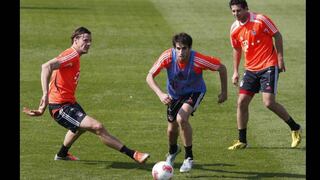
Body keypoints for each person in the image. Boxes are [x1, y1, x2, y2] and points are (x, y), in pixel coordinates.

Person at [22, 26, 150, 163]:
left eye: (90, 41)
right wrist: (45, 95)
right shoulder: (71, 54)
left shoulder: (74, 56)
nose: (88, 44)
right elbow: (46, 66)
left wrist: (43, 105)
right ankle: (133, 154)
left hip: (69, 102)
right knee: (97, 127)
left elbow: (55, 77)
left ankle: (62, 154)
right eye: (85, 40)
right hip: (60, 107)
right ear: (76, 40)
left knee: (79, 128)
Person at [146, 32, 228, 172]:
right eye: (178, 48)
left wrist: (224, 92)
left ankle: (188, 157)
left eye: (184, 48)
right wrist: (160, 94)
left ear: (190, 48)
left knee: (181, 118)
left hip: (194, 92)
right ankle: (173, 151)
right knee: (172, 129)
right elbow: (149, 76)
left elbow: (222, 68)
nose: (181, 52)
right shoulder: (167, 56)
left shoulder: (198, 60)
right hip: (174, 95)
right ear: (174, 48)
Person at [227, 0, 302, 150]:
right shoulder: (234, 28)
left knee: (268, 102)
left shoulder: (261, 20)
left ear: (246, 9)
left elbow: (277, 35)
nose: (236, 14)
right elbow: (237, 49)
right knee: (241, 102)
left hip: (268, 65)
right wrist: (235, 71)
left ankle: (295, 128)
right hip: (250, 69)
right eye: (233, 11)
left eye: (239, 10)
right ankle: (242, 140)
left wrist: (280, 59)